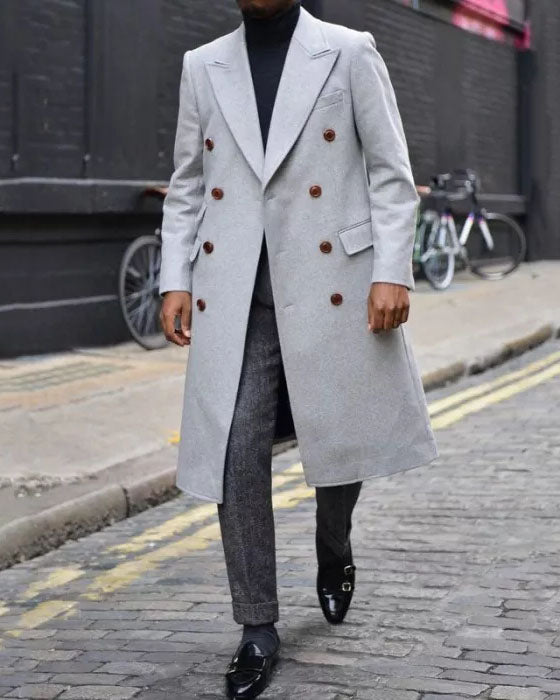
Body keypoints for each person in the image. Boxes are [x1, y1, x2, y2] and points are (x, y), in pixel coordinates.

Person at [158, 1, 439, 696]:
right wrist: (175, 279)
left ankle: (333, 541)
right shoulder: (202, 65)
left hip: (330, 283)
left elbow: (390, 173)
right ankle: (257, 626)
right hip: (238, 296)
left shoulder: (349, 50)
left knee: (339, 438)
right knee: (235, 455)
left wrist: (391, 270)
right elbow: (188, 185)